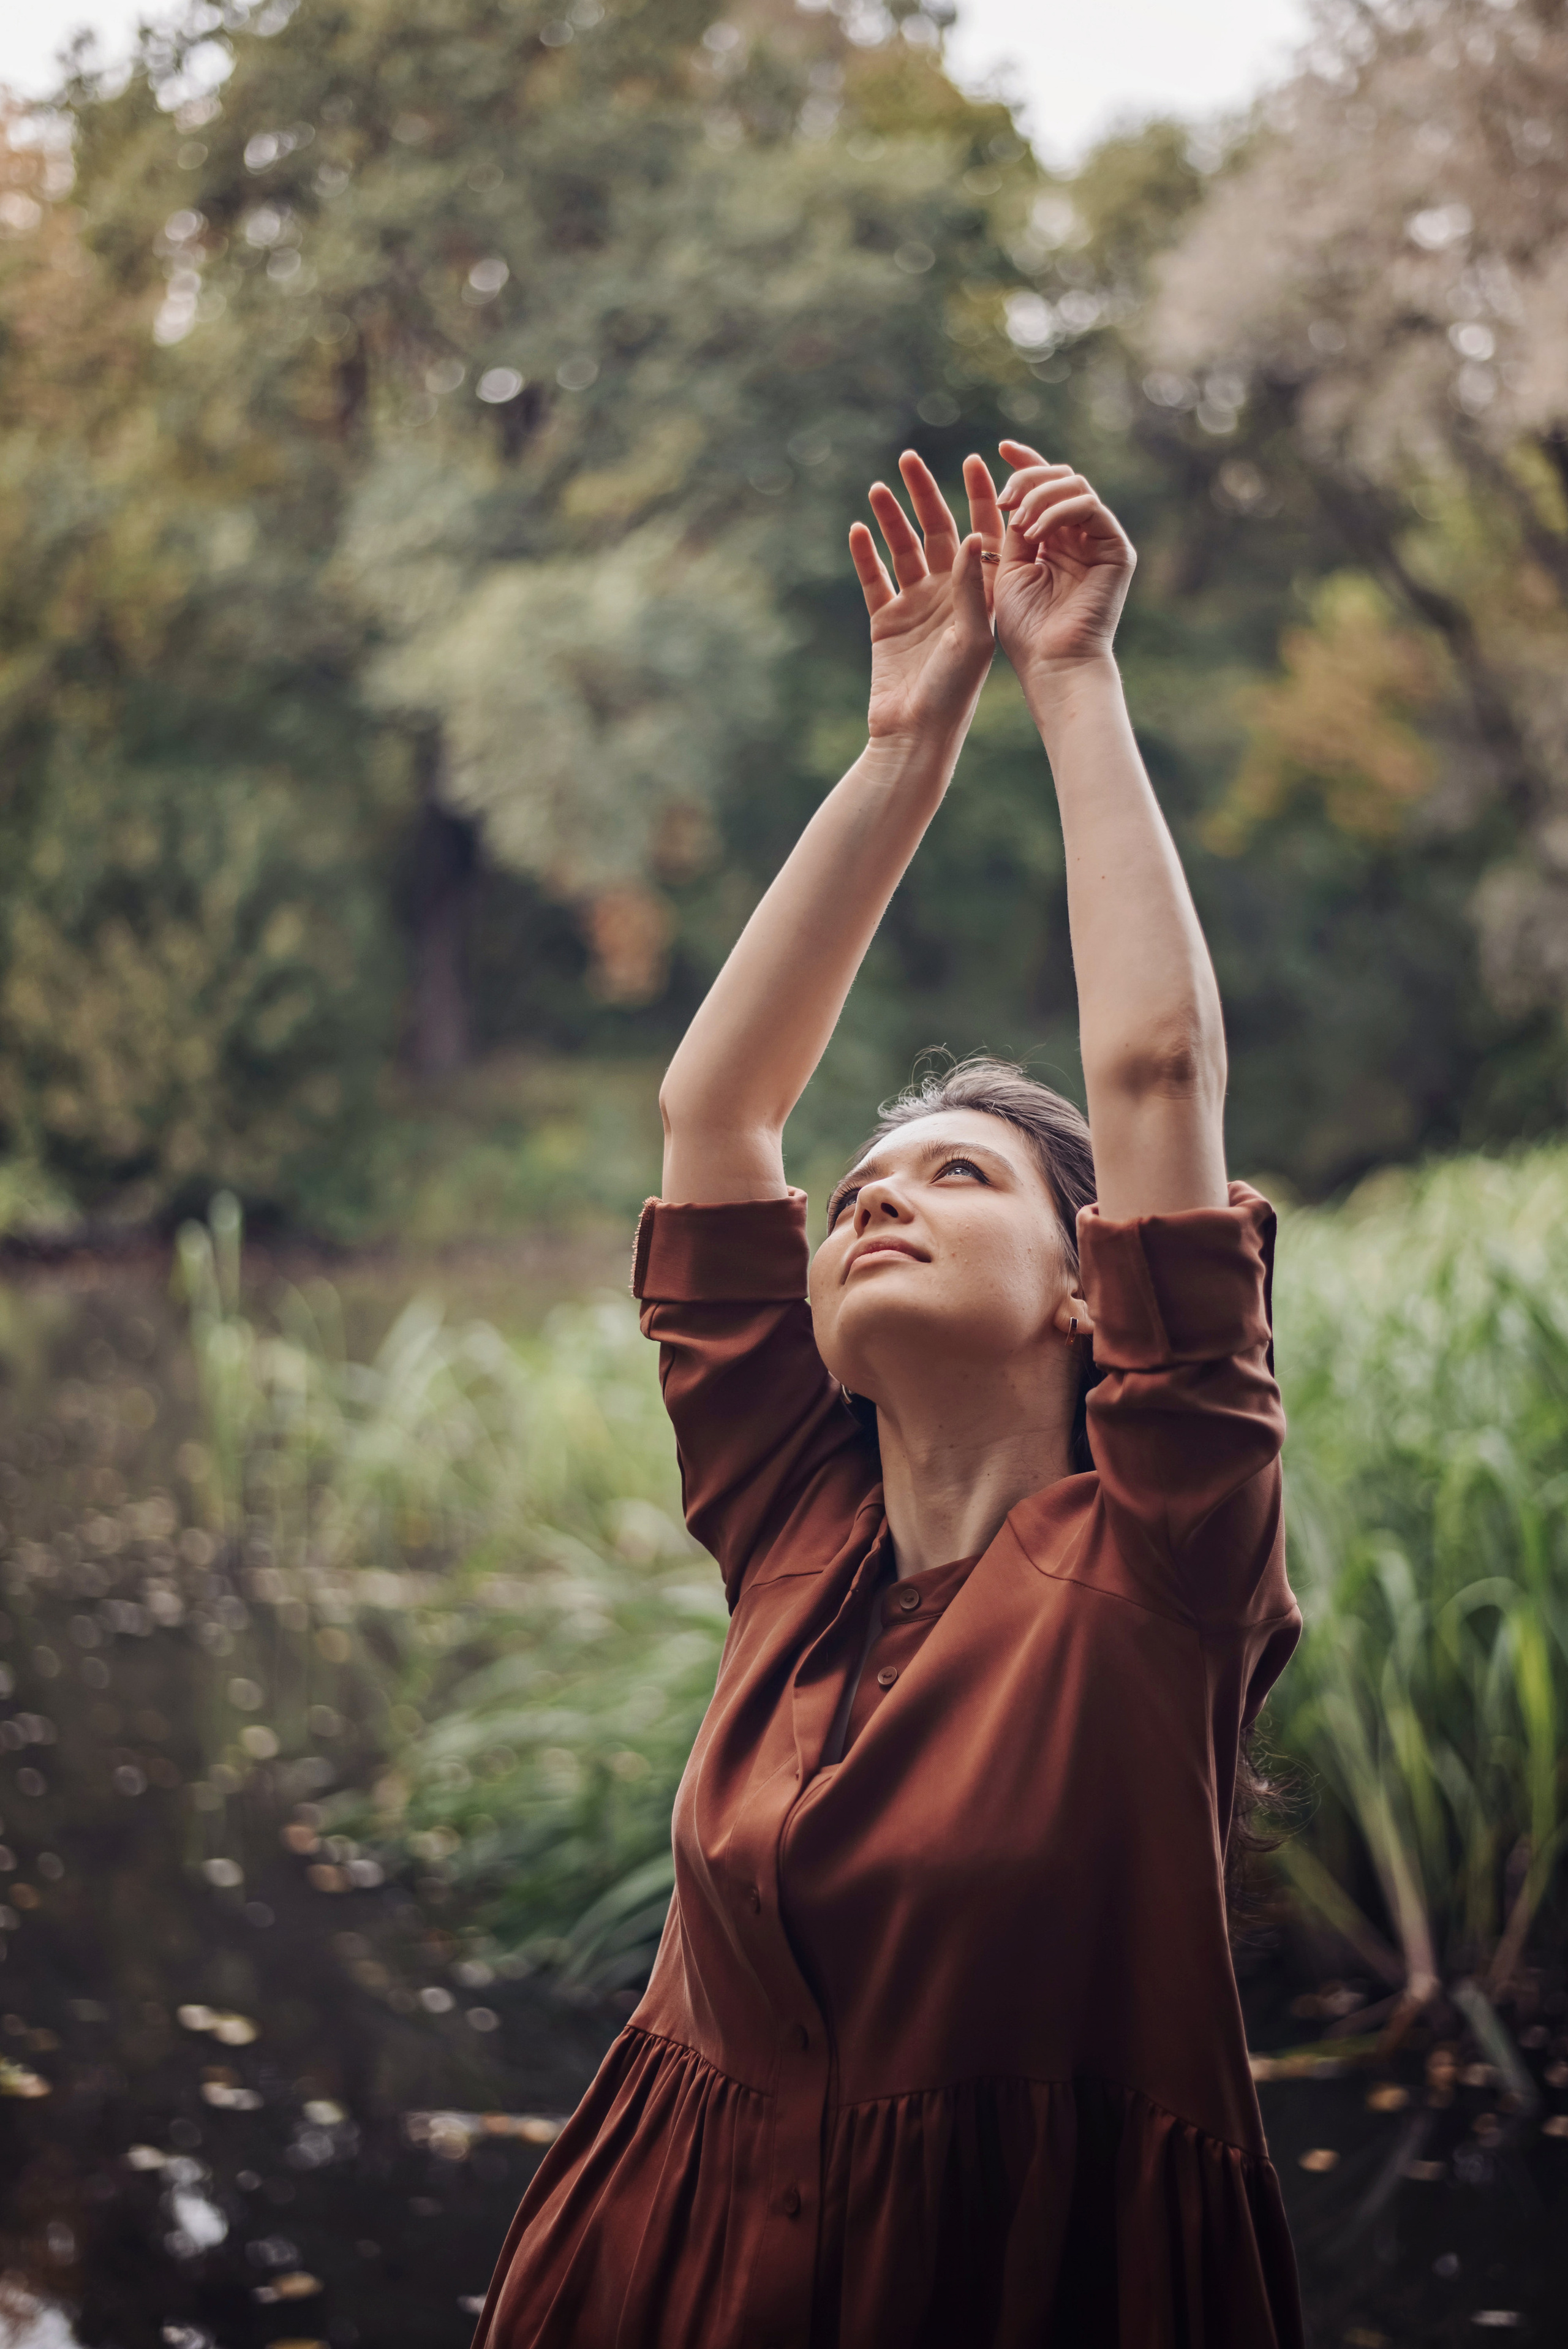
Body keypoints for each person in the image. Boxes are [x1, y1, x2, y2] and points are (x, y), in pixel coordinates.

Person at [473, 443, 1306, 2348]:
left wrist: (1070, 677)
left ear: (1096, 1297)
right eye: (865, 1186)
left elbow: (1162, 1072)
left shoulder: (1166, 1556)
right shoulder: (795, 1525)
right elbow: (719, 1113)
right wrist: (900, 751)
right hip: (651, 2281)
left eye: (958, 1176)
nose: (874, 1195)